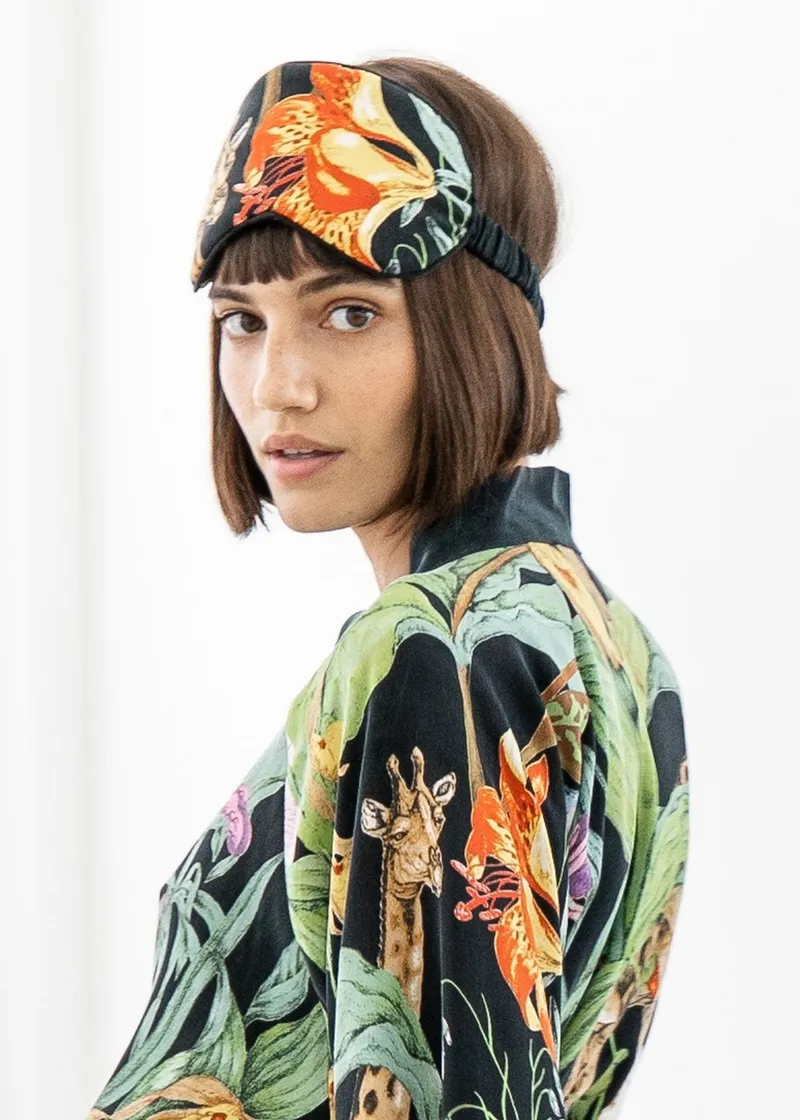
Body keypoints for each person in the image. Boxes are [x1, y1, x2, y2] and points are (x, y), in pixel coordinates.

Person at [85, 56, 690, 1120]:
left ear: (474, 325)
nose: (277, 387)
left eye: (349, 313)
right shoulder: (604, 637)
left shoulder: (432, 649)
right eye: (242, 320)